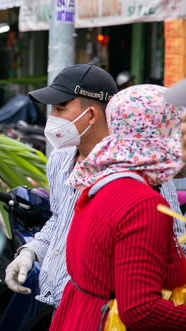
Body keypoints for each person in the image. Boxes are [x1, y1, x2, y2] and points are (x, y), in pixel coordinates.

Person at [4, 64, 185, 313]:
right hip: (55, 298)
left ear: (91, 115)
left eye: (60, 108)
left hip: (106, 310)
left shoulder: (140, 171)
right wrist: (31, 252)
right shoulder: (60, 159)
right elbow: (60, 219)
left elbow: (175, 240)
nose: (52, 118)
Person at [51, 85, 186, 330]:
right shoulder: (143, 204)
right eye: (180, 128)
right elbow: (139, 309)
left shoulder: (103, 182)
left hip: (80, 317)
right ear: (161, 135)